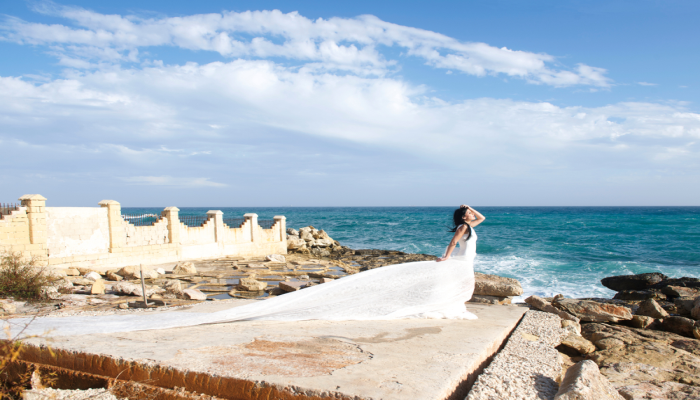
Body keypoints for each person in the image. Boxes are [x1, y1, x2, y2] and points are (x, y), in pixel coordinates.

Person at [9, 205, 485, 337]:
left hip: (462, 256)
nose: (468, 219)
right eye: (465, 216)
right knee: (453, 279)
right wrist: (448, 251)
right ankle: (447, 298)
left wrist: (469, 212)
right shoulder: (459, 233)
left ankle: (449, 298)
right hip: (457, 260)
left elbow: (479, 222)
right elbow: (459, 239)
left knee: (456, 284)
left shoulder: (470, 222)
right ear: (459, 223)